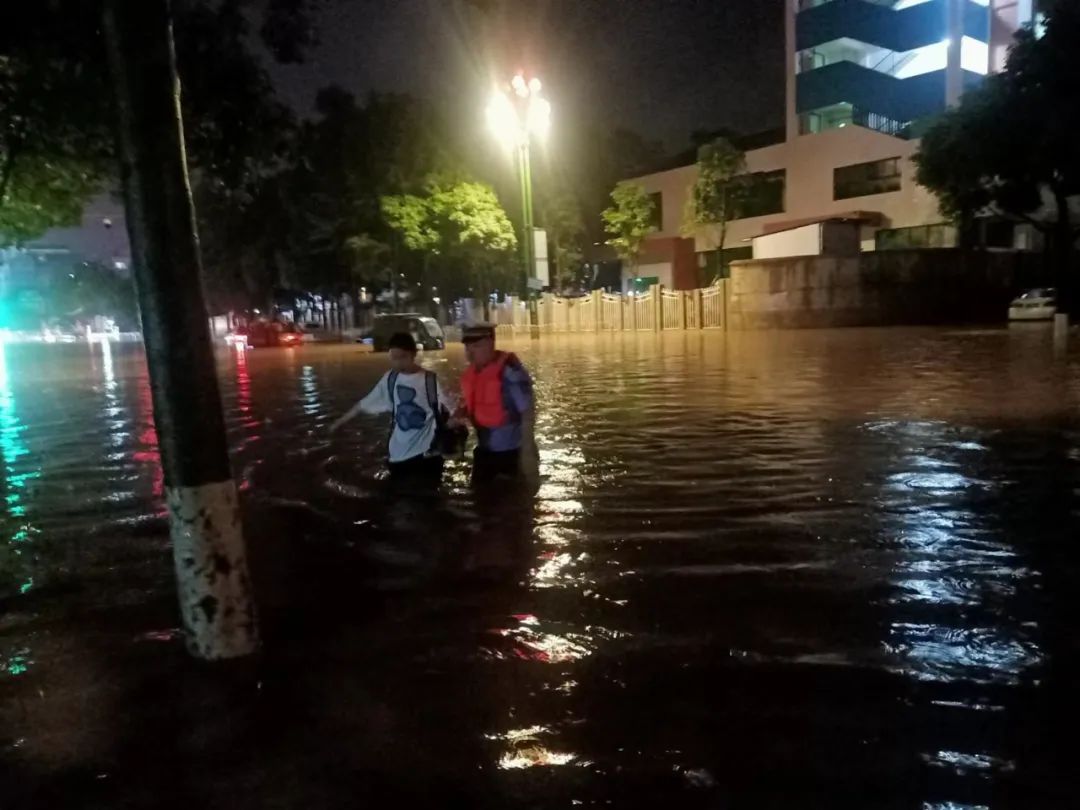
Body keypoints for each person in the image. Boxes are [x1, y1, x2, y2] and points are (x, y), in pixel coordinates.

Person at [330, 331, 452, 487]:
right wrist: (339, 422)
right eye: (394, 358)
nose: (398, 363)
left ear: (414, 354)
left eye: (403, 357)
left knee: (428, 500)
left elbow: (451, 410)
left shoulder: (430, 380)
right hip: (398, 456)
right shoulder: (391, 379)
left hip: (427, 456)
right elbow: (365, 403)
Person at [456, 324, 539, 488]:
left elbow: (527, 412)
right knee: (481, 502)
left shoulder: (510, 372)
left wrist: (527, 452)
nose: (470, 352)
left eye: (477, 346)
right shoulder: (474, 373)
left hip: (511, 453)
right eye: (467, 347)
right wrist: (458, 416)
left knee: (513, 505)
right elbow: (474, 402)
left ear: (490, 344)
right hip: (484, 451)